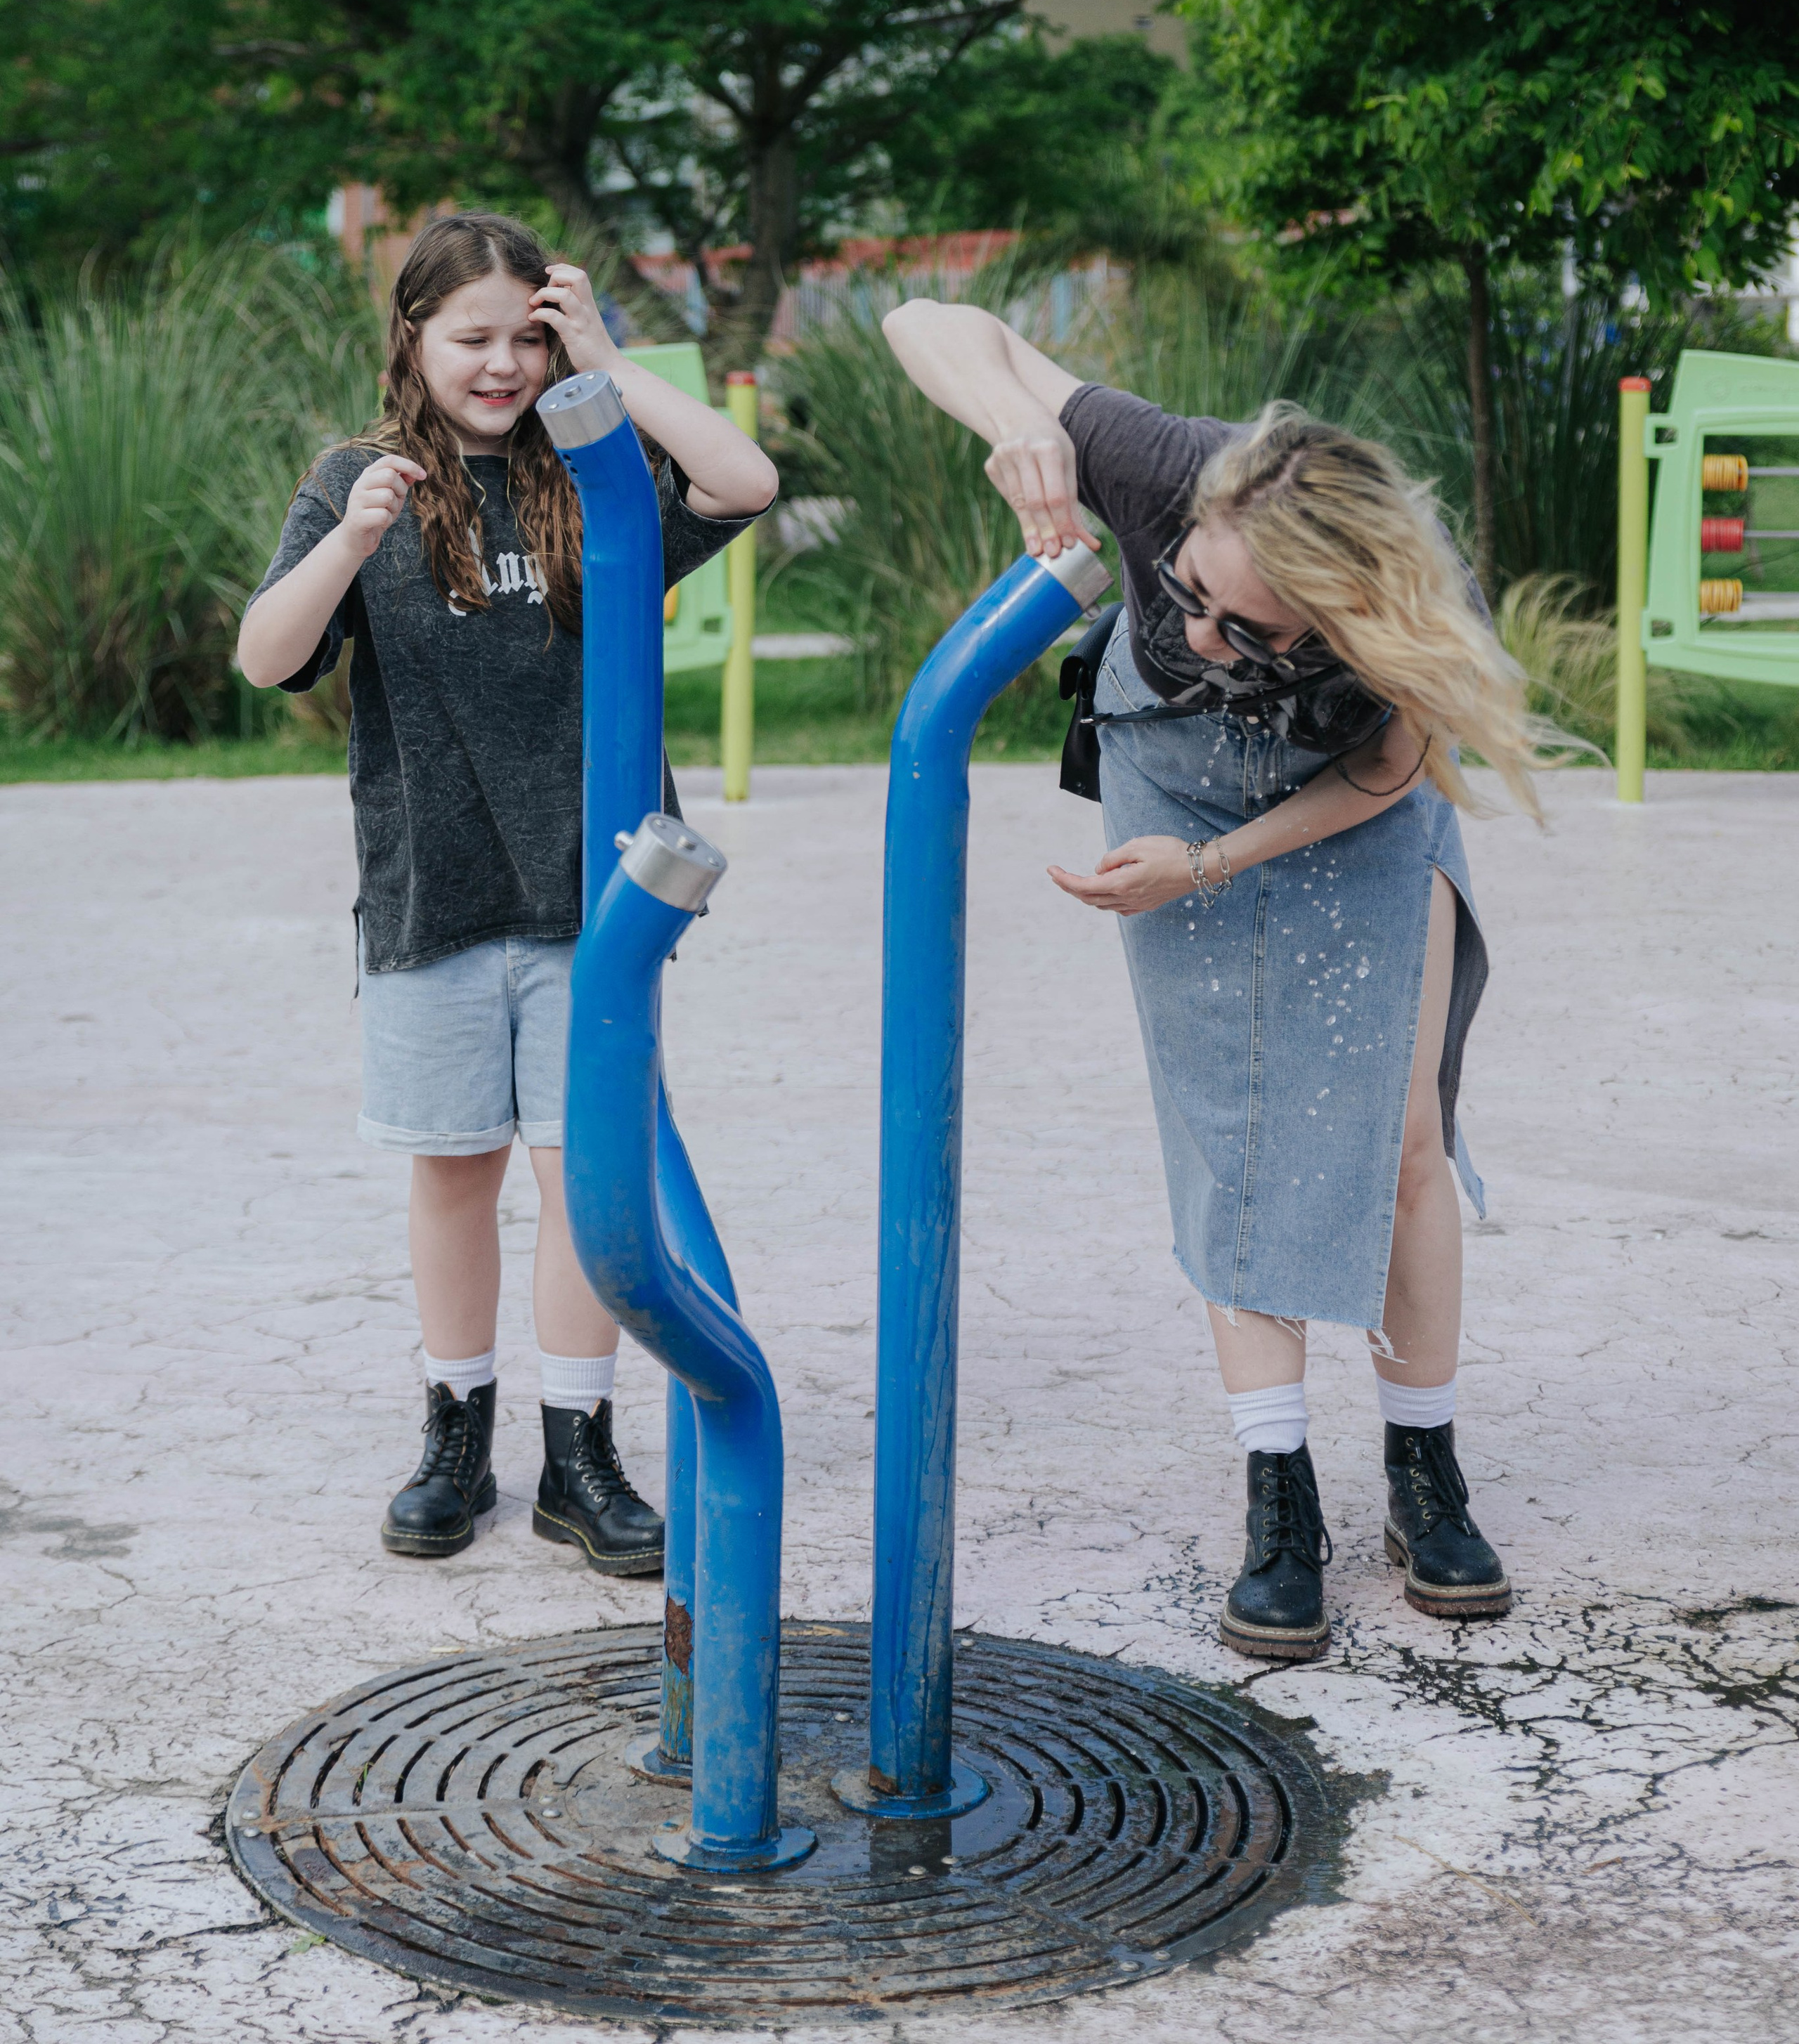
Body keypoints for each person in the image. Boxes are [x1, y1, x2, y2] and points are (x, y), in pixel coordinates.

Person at [883, 299, 1540, 1662]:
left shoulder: (1414, 605)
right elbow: (927, 315)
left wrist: (1217, 863)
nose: (1200, 624)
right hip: (1164, 772)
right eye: (1189, 587)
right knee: (1232, 1132)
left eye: (1246, 627)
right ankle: (1277, 1491)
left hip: (1343, 806)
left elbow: (1384, 769)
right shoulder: (1167, 465)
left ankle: (1423, 1474)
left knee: (1399, 1132)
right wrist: (1021, 429)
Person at [238, 211, 777, 1575]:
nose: (498, 365)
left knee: (580, 1174)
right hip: (436, 883)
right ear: (411, 337)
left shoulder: (595, 463)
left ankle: (578, 1447)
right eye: (469, 337)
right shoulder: (357, 476)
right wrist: (347, 545)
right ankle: (456, 1428)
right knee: (454, 1171)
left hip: (594, 899)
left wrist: (604, 355)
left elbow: (744, 478)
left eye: (522, 338)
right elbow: (264, 657)